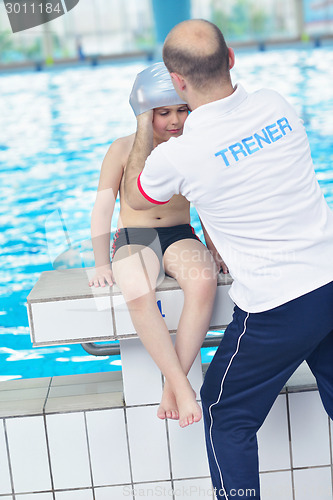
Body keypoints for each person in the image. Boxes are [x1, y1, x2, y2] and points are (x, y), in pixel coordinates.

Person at [123, 19, 333, 500]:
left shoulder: (180, 155)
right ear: (231, 58)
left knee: (224, 412)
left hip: (281, 303)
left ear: (176, 82)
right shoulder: (276, 103)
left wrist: (141, 119)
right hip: (330, 272)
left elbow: (136, 198)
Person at [89, 62, 223, 428]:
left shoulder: (193, 148)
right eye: (163, 112)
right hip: (136, 237)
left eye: (181, 109)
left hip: (179, 233)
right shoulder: (122, 149)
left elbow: (208, 204)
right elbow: (102, 209)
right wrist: (101, 263)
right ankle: (182, 386)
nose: (174, 120)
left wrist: (214, 247)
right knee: (136, 287)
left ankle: (172, 388)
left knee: (203, 282)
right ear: (143, 113)